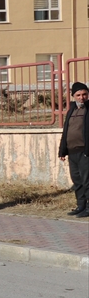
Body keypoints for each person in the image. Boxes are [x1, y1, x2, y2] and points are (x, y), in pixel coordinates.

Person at [58, 81, 89, 218]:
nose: (82, 97)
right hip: (72, 151)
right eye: (78, 95)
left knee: (87, 180)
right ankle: (81, 205)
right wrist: (62, 151)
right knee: (77, 180)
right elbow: (66, 131)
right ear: (73, 96)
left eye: (84, 94)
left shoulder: (88, 109)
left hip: (85, 152)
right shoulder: (71, 110)